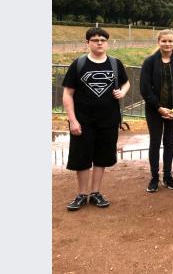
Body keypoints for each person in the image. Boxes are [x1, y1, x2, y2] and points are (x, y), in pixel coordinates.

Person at [62, 28, 130, 210]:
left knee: (102, 157)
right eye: (95, 40)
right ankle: (82, 194)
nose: (99, 43)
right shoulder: (79, 64)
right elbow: (67, 94)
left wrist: (122, 92)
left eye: (102, 39)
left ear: (107, 42)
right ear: (88, 43)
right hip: (83, 120)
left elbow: (126, 82)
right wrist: (73, 120)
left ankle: (95, 193)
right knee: (82, 157)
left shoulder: (115, 64)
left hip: (108, 120)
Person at [140, 29, 173, 193]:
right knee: (155, 143)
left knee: (169, 142)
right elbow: (145, 89)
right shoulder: (149, 62)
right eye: (164, 41)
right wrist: (159, 108)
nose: (167, 44)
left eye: (170, 41)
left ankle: (167, 176)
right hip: (155, 110)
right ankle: (154, 177)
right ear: (159, 42)